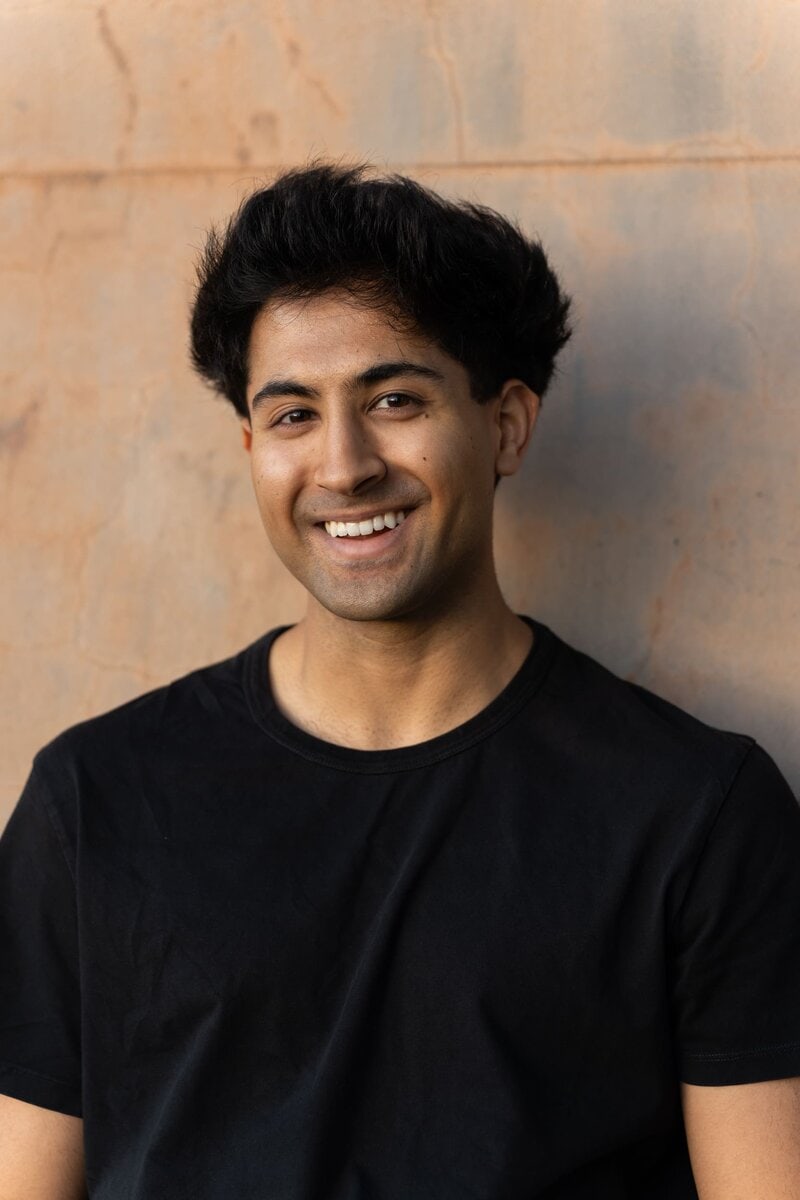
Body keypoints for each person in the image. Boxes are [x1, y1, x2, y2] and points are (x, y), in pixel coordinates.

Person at [1, 162, 799, 1200]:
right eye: (291, 416)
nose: (343, 465)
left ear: (505, 425)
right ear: (250, 446)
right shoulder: (94, 799)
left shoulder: (696, 815)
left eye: (393, 399)